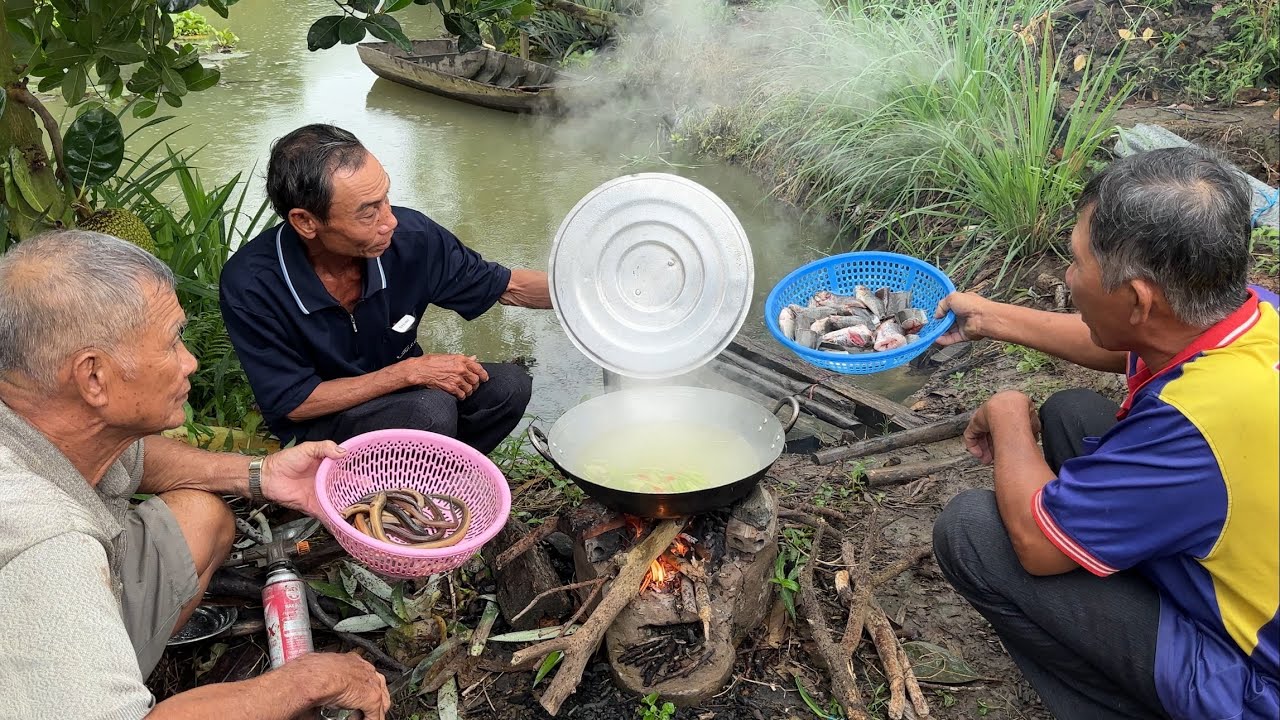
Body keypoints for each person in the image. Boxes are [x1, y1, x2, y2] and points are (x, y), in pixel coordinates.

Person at [929, 146, 1278, 720]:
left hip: (1257, 686)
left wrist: (1009, 410)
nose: (1067, 277)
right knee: (1071, 415)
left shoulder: (1196, 427)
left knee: (974, 533)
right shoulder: (1251, 317)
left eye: (1076, 263)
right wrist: (989, 318)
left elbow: (1038, 550)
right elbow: (1121, 342)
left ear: (1139, 298)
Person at [0, 231, 392, 719]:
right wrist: (305, 681)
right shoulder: (46, 547)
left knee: (203, 517)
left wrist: (261, 474)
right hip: (48, 598)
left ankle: (89, 670)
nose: (191, 361)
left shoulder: (47, 417)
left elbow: (136, 456)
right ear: (94, 377)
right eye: (171, 344)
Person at [219, 124, 552, 452]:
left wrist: (591, 295)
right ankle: (366, 491)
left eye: (385, 199)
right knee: (429, 413)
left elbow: (510, 286)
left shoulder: (412, 239)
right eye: (368, 213)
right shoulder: (252, 284)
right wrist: (408, 373)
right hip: (323, 421)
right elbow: (294, 402)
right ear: (306, 222)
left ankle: (437, 476)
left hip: (410, 395)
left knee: (508, 386)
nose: (389, 221)